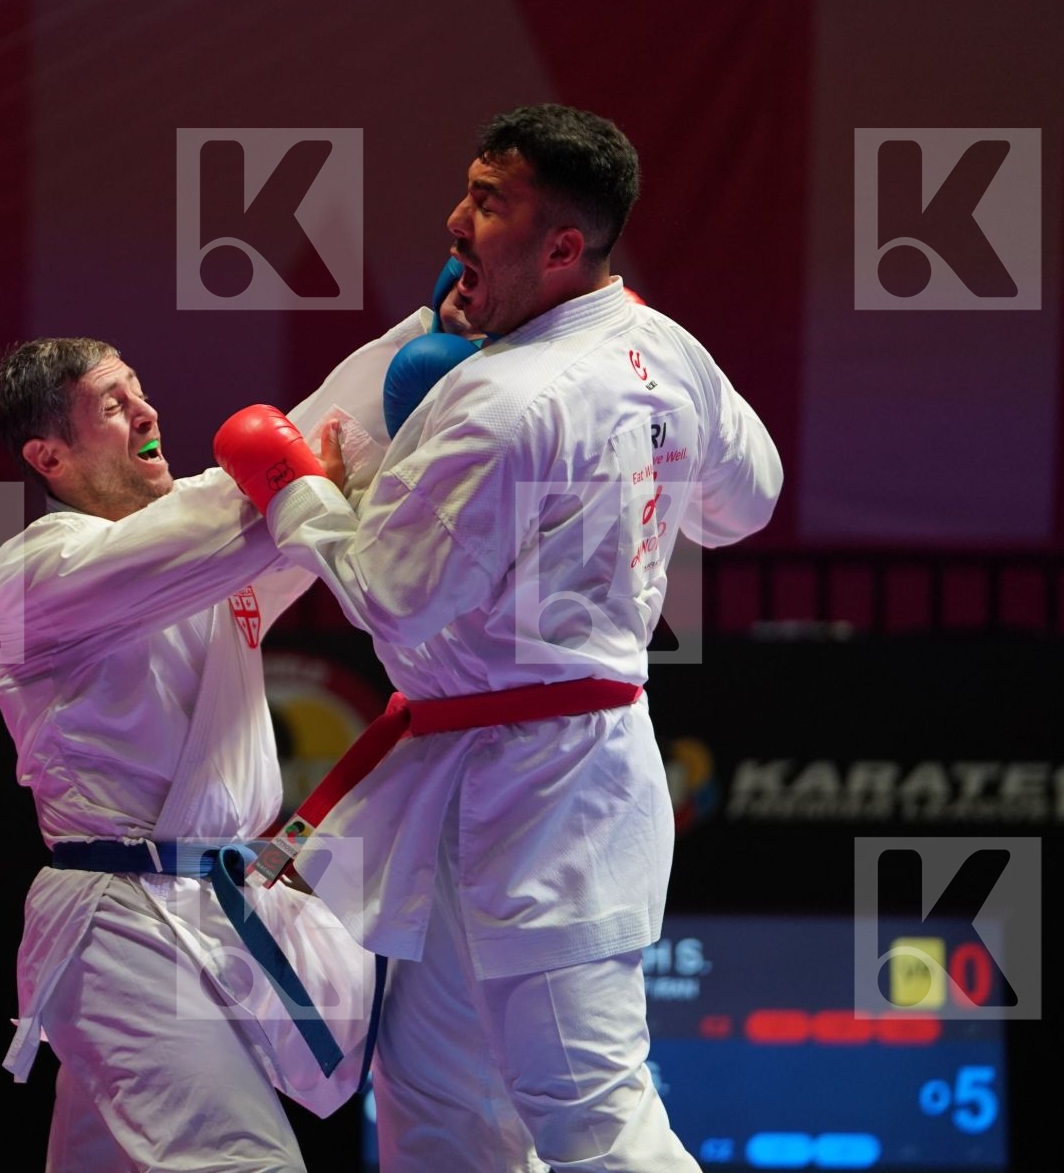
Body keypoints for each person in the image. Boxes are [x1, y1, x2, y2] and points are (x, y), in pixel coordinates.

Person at [214, 104, 784, 1170]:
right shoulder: (663, 346)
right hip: (471, 770)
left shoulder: (501, 401)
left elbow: (390, 597)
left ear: (562, 246)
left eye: (489, 203)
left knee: (589, 1114)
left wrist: (298, 486)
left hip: (546, 792)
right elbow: (744, 504)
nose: (455, 221)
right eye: (469, 190)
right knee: (435, 1109)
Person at [0, 320, 428, 1171]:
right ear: (48, 458)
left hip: (207, 909)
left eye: (138, 386)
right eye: (113, 404)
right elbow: (242, 507)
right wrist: (290, 484)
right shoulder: (39, 574)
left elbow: (311, 451)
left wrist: (438, 328)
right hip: (119, 924)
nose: (145, 408)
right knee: (240, 1162)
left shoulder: (210, 553)